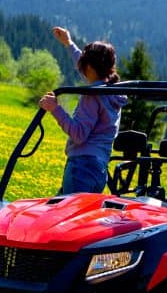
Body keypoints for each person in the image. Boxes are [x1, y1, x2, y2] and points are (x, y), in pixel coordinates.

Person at [39, 27, 127, 194]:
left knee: (68, 217)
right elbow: (89, 72)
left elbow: (79, 135)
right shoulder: (111, 91)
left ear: (90, 68)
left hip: (81, 167)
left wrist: (55, 109)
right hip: (99, 169)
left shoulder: (92, 96)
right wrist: (69, 43)